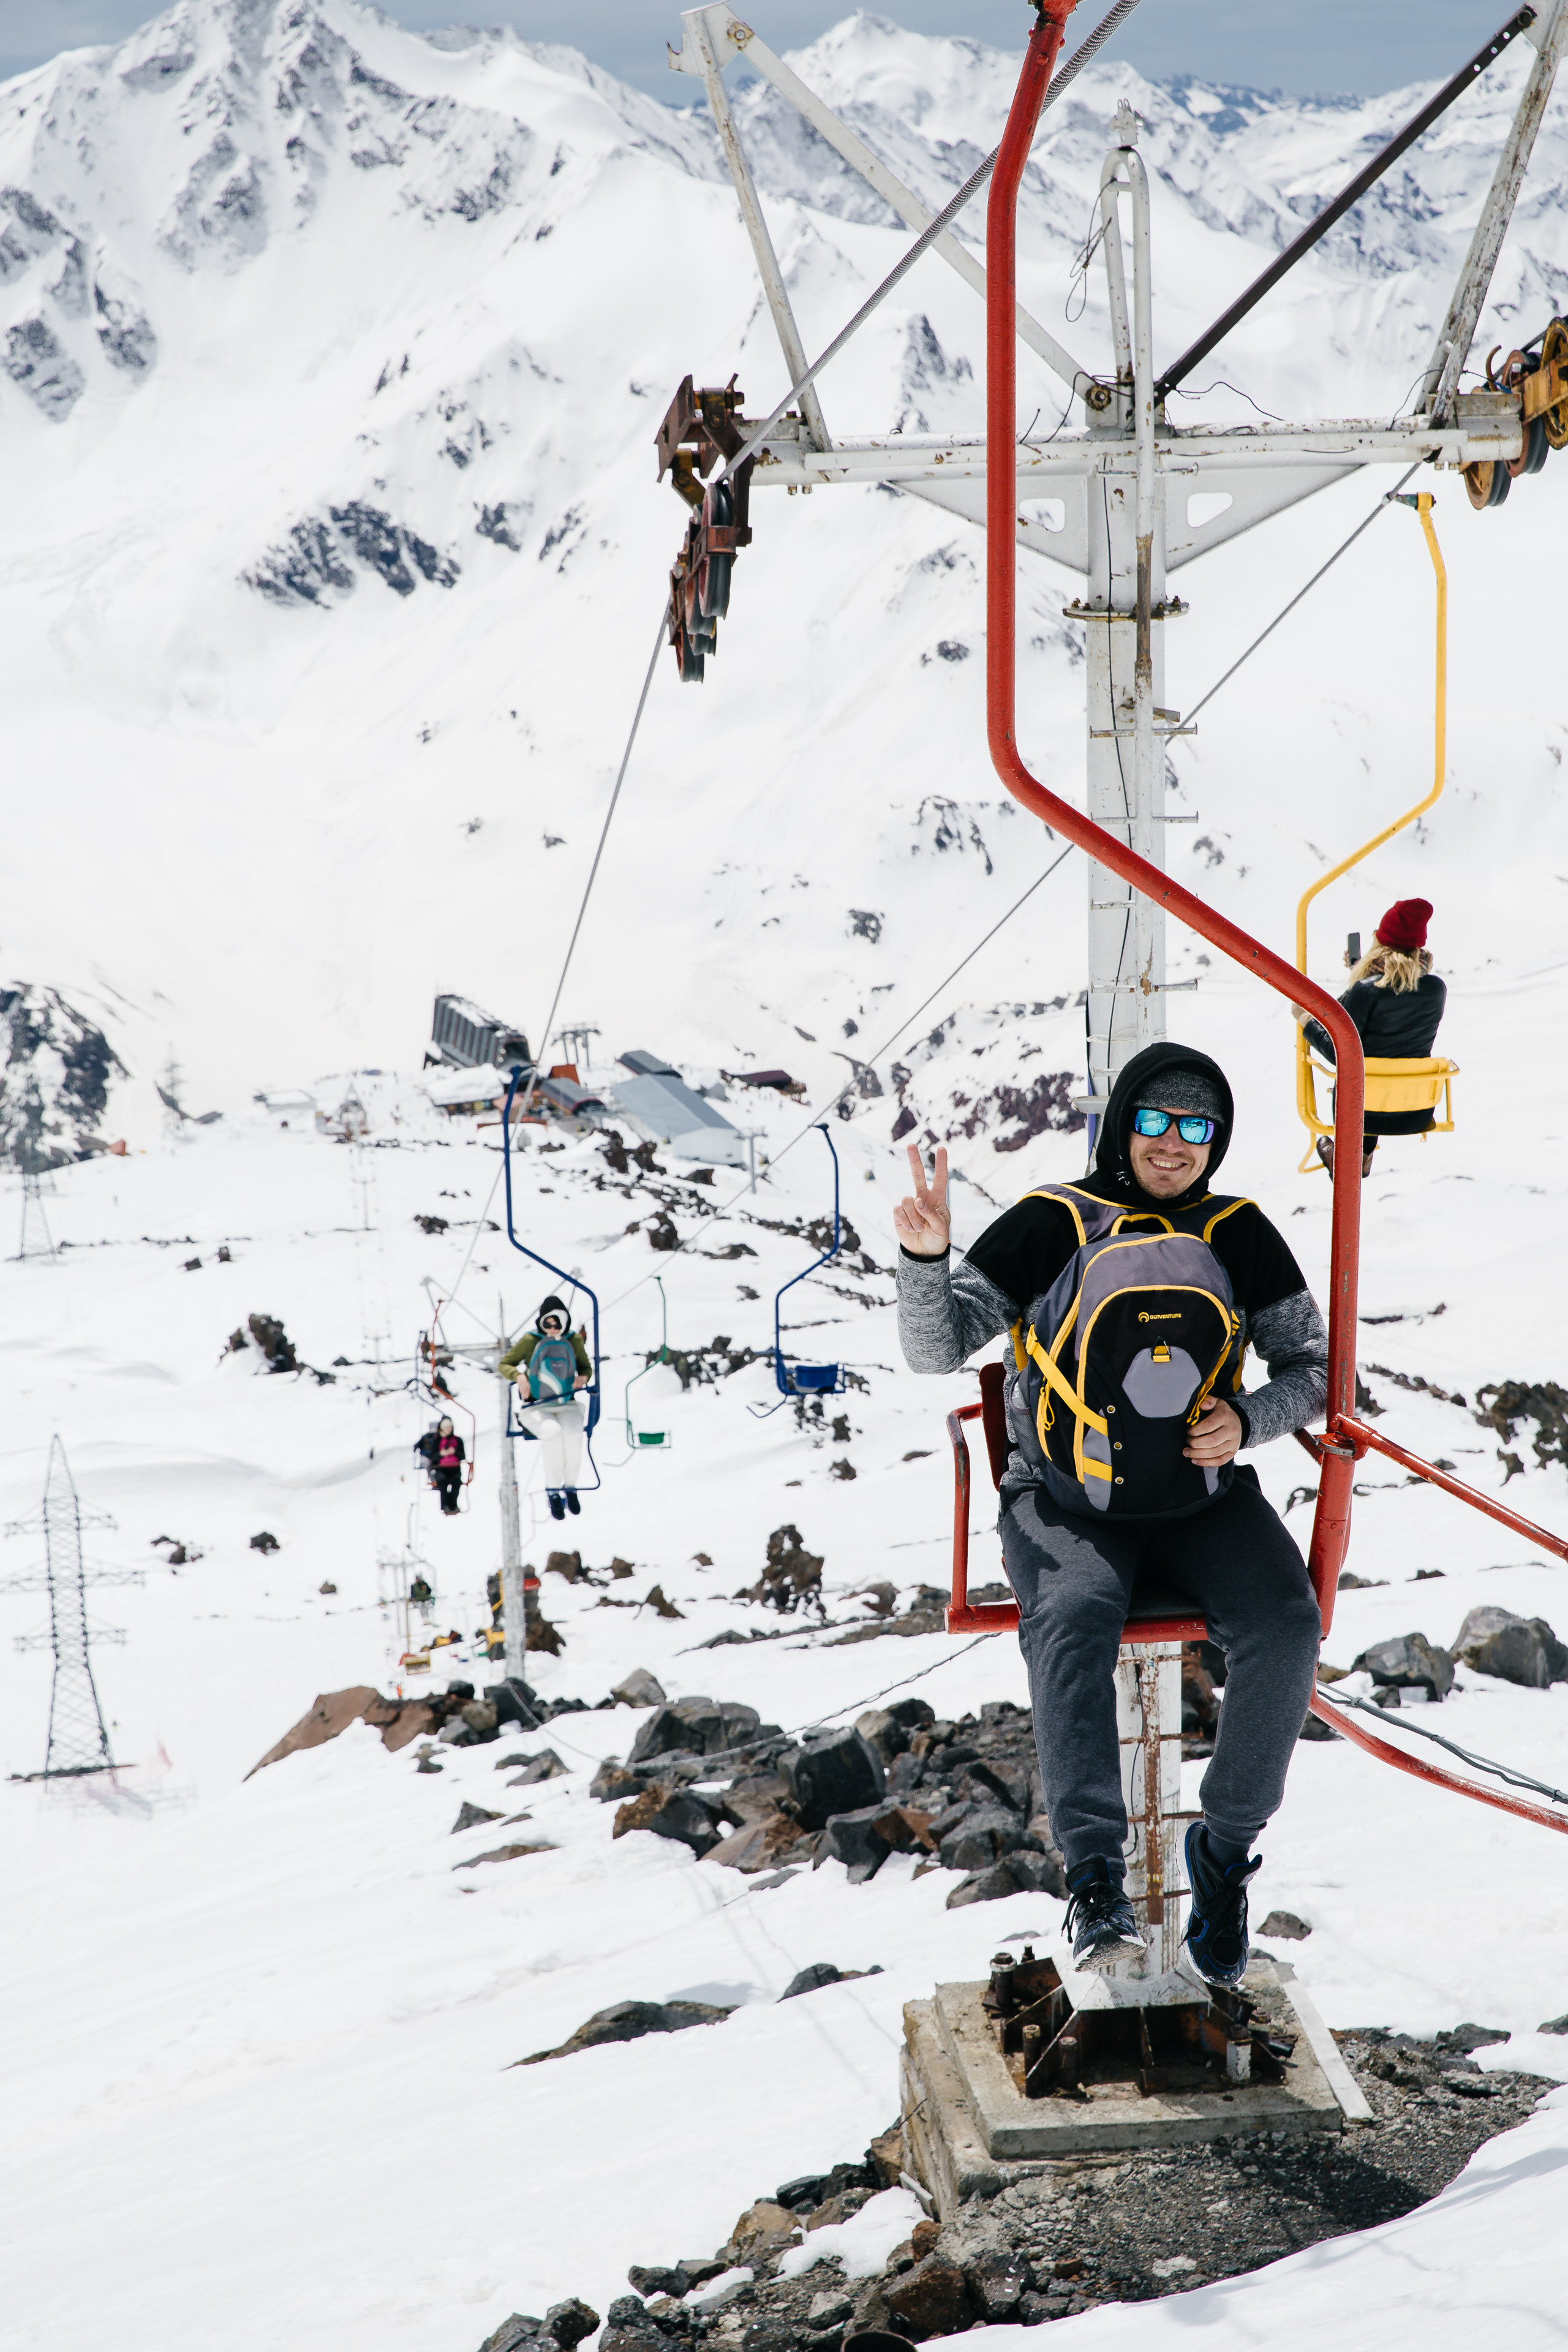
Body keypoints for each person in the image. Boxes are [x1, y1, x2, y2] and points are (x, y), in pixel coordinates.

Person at [894, 1041, 1327, 1986]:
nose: (1174, 1144)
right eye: (1155, 1121)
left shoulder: (1239, 1231)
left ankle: (1224, 1854)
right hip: (1065, 1502)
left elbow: (1313, 1370)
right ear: (1122, 1124)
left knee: (1288, 1623)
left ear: (1216, 1139)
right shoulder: (1054, 1221)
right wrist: (926, 1262)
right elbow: (937, 1349)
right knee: (1074, 1615)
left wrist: (1249, 1420)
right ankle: (1095, 1880)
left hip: (1198, 1498)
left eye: (1196, 1126)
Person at [1293, 897, 1447, 1177]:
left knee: (1365, 1071)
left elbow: (1338, 1052)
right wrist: (1361, 972)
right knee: (1380, 1064)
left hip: (1361, 1114)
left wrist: (1306, 1022)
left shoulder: (1365, 991)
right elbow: (1399, 991)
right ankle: (1361, 1156)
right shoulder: (1436, 989)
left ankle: (1352, 1157)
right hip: (1416, 1110)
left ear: (1381, 943)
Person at [500, 1294, 592, 1521]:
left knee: (573, 1433)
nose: (552, 1328)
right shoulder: (530, 1340)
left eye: (557, 1324)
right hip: (536, 1406)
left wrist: (583, 1378)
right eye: (547, 1324)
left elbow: (585, 1367)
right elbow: (505, 1364)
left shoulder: (573, 1340)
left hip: (566, 1403)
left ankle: (570, 1486)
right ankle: (553, 1491)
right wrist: (519, 1376)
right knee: (552, 1432)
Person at [430, 1416, 465, 1515]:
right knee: (443, 1482)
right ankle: (445, 1505)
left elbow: (463, 1456)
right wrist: (441, 1454)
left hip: (455, 1468)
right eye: (446, 1428)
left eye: (450, 1427)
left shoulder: (458, 1440)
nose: (449, 1430)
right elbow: (432, 1457)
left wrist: (455, 1452)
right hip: (441, 1469)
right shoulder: (437, 1441)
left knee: (457, 1482)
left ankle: (454, 1505)